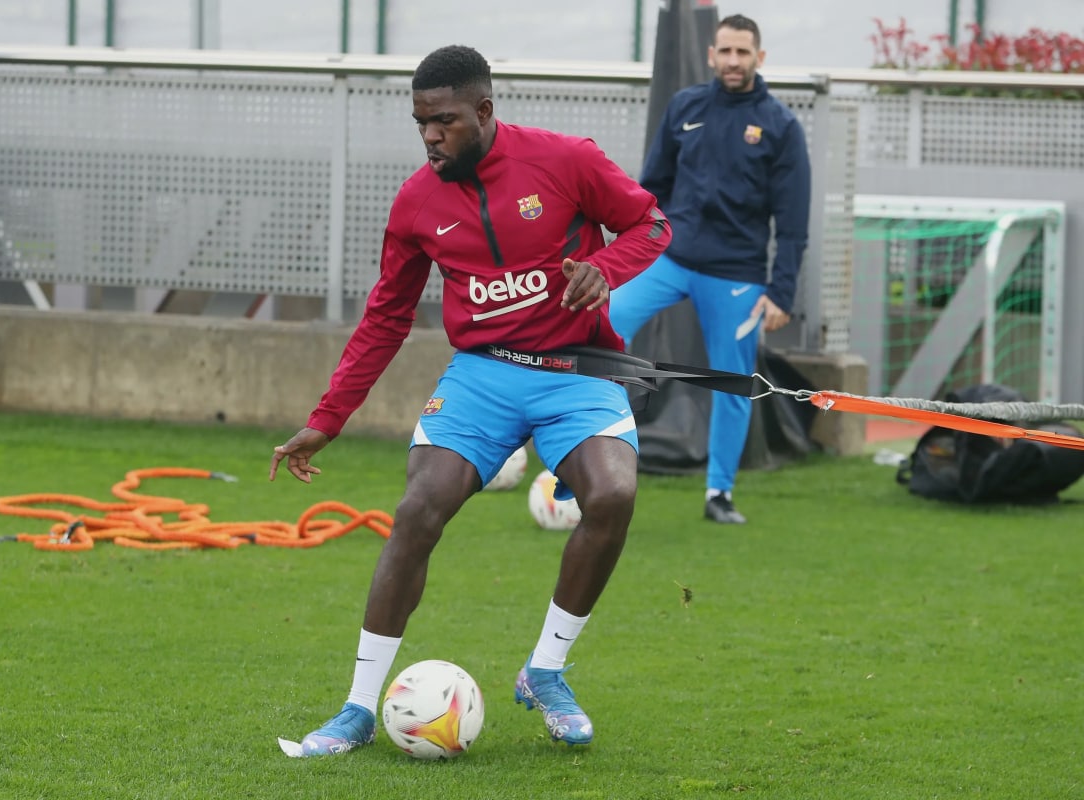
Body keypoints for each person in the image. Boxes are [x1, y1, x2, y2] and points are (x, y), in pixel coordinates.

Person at [269, 44, 671, 756]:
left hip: (576, 371)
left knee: (612, 495)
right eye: (421, 123)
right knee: (417, 510)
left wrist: (605, 269)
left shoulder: (566, 160)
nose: (430, 137)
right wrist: (327, 420)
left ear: (484, 110)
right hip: (482, 375)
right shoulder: (416, 202)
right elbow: (386, 317)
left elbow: (652, 224)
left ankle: (545, 670)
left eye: (445, 122)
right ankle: (358, 709)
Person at [607, 13, 811, 525]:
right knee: (599, 328)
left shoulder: (781, 127)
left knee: (733, 384)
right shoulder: (685, 107)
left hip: (736, 277)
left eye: (743, 52)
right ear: (711, 55)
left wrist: (782, 293)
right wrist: (629, 250)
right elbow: (651, 190)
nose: (733, 61)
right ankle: (582, 457)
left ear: (759, 57)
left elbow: (793, 223)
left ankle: (719, 493)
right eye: (726, 51)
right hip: (670, 261)